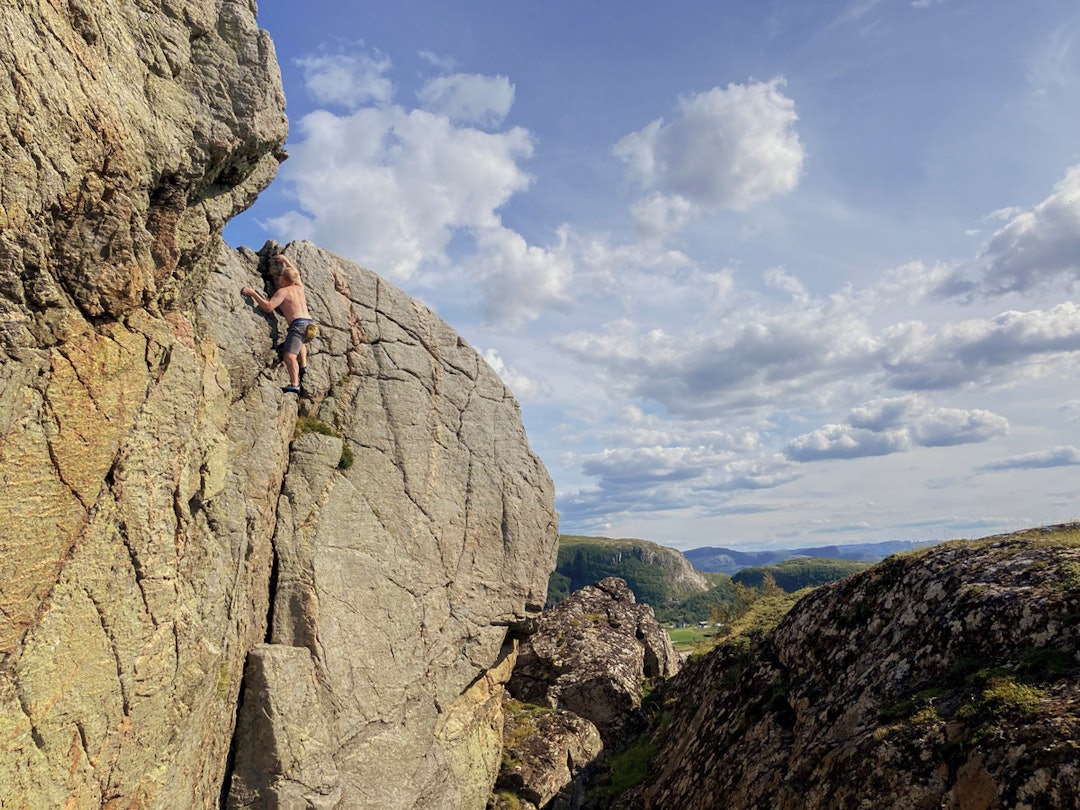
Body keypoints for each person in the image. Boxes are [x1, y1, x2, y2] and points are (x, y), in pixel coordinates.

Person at [242, 254, 316, 394]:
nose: (278, 278)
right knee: (301, 342)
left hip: (298, 325)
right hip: (311, 325)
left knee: (289, 356)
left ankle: (294, 384)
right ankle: (303, 365)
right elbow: (296, 273)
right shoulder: (298, 286)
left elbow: (269, 307)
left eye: (281, 276)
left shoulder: (283, 292)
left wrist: (253, 294)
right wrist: (286, 260)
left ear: (283, 279)